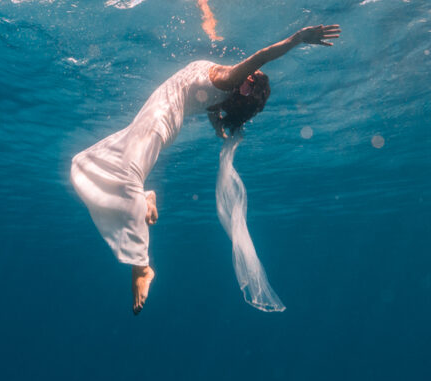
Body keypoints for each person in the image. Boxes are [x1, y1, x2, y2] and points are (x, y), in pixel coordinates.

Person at [70, 24, 340, 314]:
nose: (247, 71)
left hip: (159, 121)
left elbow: (262, 56)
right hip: (151, 116)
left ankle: (142, 267)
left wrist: (298, 38)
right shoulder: (225, 84)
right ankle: (145, 198)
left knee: (124, 177)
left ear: (246, 86)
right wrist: (217, 127)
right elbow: (211, 103)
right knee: (87, 163)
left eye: (251, 77)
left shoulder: (228, 78)